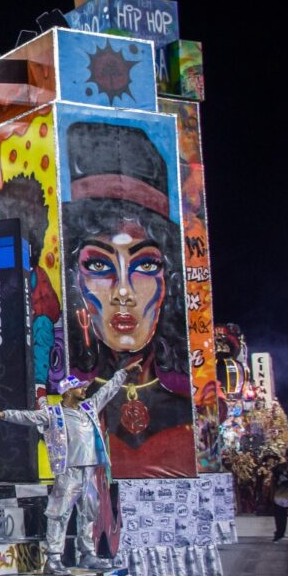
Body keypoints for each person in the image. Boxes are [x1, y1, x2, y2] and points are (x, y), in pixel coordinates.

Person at [63, 121, 192, 477]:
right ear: (76, 279)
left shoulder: (187, 403)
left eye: (145, 264)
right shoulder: (70, 393)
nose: (123, 292)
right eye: (100, 264)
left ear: (169, 281)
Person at [0, 358, 141, 574]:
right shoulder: (53, 414)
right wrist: (4, 415)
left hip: (89, 470)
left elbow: (108, 391)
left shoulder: (89, 407)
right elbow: (28, 417)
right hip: (69, 471)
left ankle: (87, 554)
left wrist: (123, 373)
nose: (84, 389)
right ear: (68, 391)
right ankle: (53, 558)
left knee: (89, 512)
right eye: (79, 387)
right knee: (59, 513)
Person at [271, 447, 288, 543]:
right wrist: (271, 494)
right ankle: (279, 535)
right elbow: (273, 483)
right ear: (285, 457)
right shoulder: (278, 468)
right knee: (280, 518)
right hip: (281, 496)